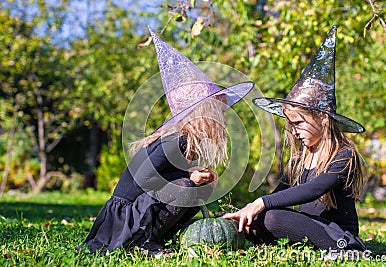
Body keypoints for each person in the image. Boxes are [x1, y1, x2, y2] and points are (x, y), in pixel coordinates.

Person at [77, 27, 254, 257]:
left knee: (197, 190)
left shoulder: (186, 142)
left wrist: (194, 174)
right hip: (124, 219)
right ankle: (140, 242)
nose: (223, 115)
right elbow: (144, 178)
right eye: (218, 109)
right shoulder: (176, 140)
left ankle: (152, 238)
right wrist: (189, 177)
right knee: (187, 188)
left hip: (139, 210)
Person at [224, 25, 367, 252]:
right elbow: (279, 195)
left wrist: (261, 203)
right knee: (258, 219)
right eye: (290, 124)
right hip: (312, 227)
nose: (293, 131)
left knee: (271, 218)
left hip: (337, 234)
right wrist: (249, 209)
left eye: (298, 123)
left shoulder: (344, 155)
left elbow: (314, 189)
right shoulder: (300, 159)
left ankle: (345, 249)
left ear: (323, 118)